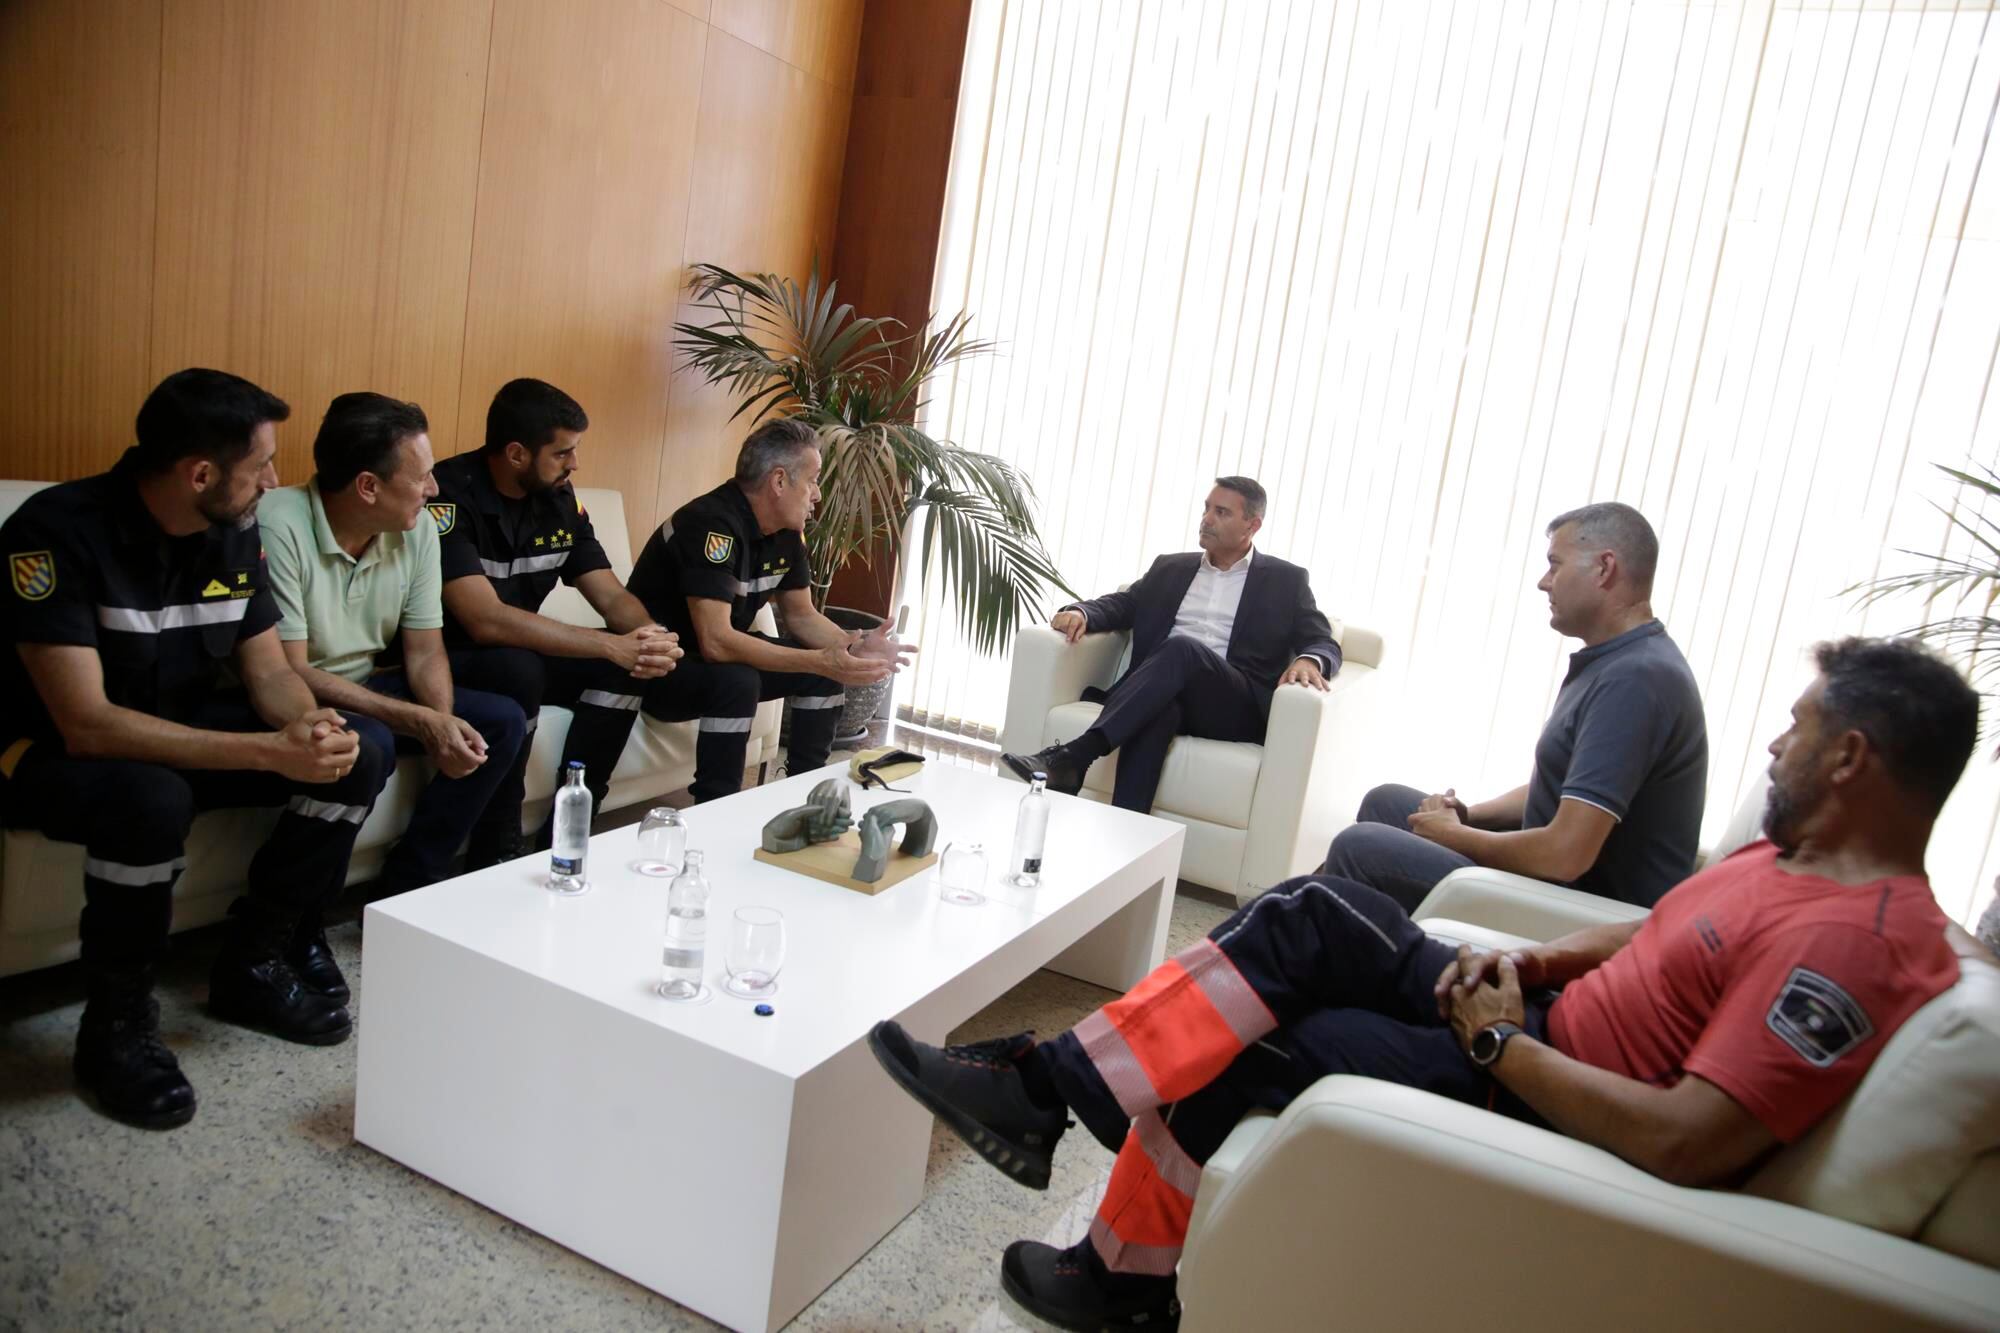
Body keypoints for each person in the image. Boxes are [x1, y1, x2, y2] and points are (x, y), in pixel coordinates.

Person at [870, 636, 1975, 1331]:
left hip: (1537, 1084)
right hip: (1527, 1014)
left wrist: (1503, 1043)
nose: (1776, 746)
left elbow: (1691, 1140)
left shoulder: (1858, 943)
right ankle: (1058, 1114)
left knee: (1250, 1031)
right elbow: (1655, 936)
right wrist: (1532, 963)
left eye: (1799, 729)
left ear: (1852, 758)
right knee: (1297, 920)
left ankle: (1095, 1217)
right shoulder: (1785, 858)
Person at [0, 369, 391, 1130]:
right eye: (261, 467)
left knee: (362, 750)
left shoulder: (233, 531)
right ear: (200, 472)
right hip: (46, 751)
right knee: (150, 796)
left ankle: (256, 958)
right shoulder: (54, 532)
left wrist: (307, 727)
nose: (274, 483)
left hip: (173, 733)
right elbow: (86, 723)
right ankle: (116, 1025)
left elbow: (270, 669)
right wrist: (267, 754)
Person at [1323, 502, 1707, 910]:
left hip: (1585, 908)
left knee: (1360, 847)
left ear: (1604, 568)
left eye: (1555, 565)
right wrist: (1468, 817)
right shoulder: (1618, 661)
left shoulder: (1636, 680)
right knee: (1387, 802)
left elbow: (1565, 855)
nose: (1544, 582)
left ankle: (1300, 944)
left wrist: (1454, 835)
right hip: (1557, 879)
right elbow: (1565, 787)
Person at [258, 392, 527, 914]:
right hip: (290, 693)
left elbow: (425, 652)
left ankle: (407, 890)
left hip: (365, 682)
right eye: (421, 476)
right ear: (368, 486)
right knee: (373, 735)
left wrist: (441, 723)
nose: (434, 487)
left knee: (500, 721)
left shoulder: (419, 529)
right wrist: (419, 720)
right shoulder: (278, 524)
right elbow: (288, 670)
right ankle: (303, 917)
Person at [430, 379, 680, 862]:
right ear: (518, 453)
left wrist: (650, 639)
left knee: (622, 666)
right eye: (562, 453)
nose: (575, 465)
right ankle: (498, 836)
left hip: (520, 651)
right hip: (448, 658)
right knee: (523, 668)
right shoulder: (448, 498)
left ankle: (572, 820)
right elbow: (484, 621)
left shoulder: (560, 501)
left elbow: (610, 595)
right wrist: (608, 643)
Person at [999, 477, 1341, 812]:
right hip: (1165, 691)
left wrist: (1310, 660)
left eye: (1221, 513)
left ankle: (1076, 755)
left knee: (1182, 648)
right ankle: (1126, 837)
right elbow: (1124, 604)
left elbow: (1320, 638)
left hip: (1233, 705)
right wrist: (1082, 611)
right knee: (1159, 711)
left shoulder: (1285, 581)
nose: (1206, 519)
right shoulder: (1170, 567)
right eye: (1207, 509)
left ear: (1252, 525)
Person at [626, 418, 911, 800]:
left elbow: (802, 615)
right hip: (659, 667)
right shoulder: (710, 524)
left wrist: (852, 647)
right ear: (779, 481)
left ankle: (806, 800)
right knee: (739, 680)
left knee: (821, 674)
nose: (816, 495)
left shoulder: (787, 534)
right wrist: (820, 659)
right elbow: (715, 642)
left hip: (715, 662)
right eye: (812, 481)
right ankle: (717, 807)